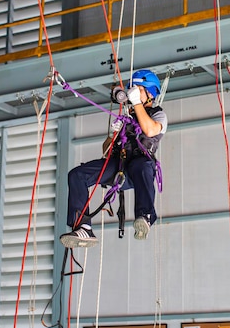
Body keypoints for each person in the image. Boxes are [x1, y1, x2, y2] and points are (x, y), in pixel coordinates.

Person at [60, 69, 168, 248]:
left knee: (141, 165)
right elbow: (106, 150)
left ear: (150, 93)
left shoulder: (158, 115)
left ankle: (145, 216)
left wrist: (135, 103)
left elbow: (150, 130)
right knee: (77, 175)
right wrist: (114, 133)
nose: (133, 92)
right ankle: (83, 226)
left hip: (139, 168)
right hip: (119, 166)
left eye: (139, 89)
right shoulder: (127, 118)